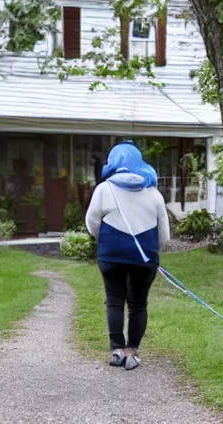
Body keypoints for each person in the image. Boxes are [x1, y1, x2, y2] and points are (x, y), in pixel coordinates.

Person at [85, 141, 170, 370]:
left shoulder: (104, 189)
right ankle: (132, 352)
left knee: (114, 300)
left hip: (111, 255)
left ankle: (116, 350)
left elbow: (92, 222)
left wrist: (104, 240)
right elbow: (164, 235)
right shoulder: (153, 193)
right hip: (144, 259)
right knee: (138, 304)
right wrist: (150, 247)